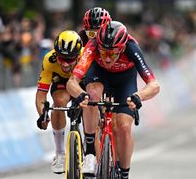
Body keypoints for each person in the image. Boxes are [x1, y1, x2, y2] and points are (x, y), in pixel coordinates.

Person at [67, 21, 160, 178]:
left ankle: (124, 173)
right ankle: (90, 151)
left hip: (125, 80)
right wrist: (80, 94)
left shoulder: (131, 47)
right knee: (92, 95)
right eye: (103, 53)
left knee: (123, 127)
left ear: (122, 48)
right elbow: (72, 82)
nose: (107, 59)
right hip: (99, 74)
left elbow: (154, 85)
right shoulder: (93, 45)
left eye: (112, 53)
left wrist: (139, 96)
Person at [35, 30, 83, 174]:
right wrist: (42, 115)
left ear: (78, 55)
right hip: (62, 83)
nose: (65, 63)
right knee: (59, 101)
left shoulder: (86, 56)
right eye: (61, 58)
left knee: (92, 101)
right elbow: (41, 95)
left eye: (69, 59)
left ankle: (91, 147)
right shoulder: (49, 59)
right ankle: (60, 153)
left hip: (83, 80)